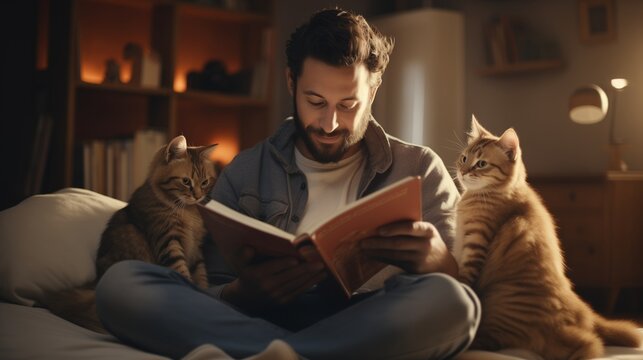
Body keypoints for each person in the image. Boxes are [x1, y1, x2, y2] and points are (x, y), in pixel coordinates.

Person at [96, 8, 480, 360]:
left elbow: (462, 285)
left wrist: (437, 261)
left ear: (374, 90)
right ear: (291, 82)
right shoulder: (245, 170)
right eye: (315, 101)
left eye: (348, 105)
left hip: (369, 316)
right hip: (262, 318)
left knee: (455, 302)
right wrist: (243, 293)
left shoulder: (421, 167)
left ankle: (286, 354)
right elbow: (204, 290)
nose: (329, 123)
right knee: (121, 284)